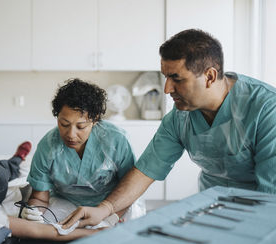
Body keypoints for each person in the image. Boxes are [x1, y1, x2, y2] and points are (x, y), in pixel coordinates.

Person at [61, 29, 276, 229]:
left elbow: (270, 196)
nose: (166, 89)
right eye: (165, 77)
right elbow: (145, 171)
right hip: (212, 208)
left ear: (210, 76)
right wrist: (104, 209)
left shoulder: (266, 110)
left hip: (260, 216)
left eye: (177, 78)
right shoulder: (180, 117)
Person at [23, 78, 137, 225]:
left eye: (81, 126)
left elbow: (130, 188)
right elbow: (40, 197)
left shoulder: (117, 141)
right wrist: (35, 211)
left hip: (113, 204)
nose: (71, 134)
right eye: (64, 124)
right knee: (50, 229)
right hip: (67, 204)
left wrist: (111, 217)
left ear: (95, 120)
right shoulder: (48, 146)